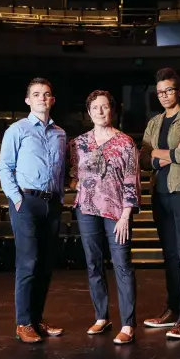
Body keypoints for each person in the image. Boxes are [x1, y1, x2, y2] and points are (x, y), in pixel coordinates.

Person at [0, 77, 66, 343]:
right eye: (36, 94)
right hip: (26, 202)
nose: (41, 98)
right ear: (28, 100)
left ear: (52, 100)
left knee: (46, 264)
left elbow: (62, 169)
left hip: (52, 202)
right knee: (28, 262)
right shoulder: (17, 130)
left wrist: (61, 195)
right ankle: (23, 323)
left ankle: (37, 318)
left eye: (46, 94)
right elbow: (4, 168)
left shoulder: (60, 133)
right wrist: (16, 199)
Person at [69, 90, 140, 345]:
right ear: (88, 112)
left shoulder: (126, 143)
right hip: (87, 210)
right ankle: (101, 317)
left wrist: (126, 215)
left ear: (112, 110)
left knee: (122, 264)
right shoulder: (77, 143)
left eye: (105, 107)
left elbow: (131, 180)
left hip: (117, 212)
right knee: (93, 265)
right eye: (95, 107)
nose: (100, 111)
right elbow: (71, 173)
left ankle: (128, 324)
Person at [139, 68, 180, 339]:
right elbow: (142, 159)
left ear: (179, 91)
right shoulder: (154, 122)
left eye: (169, 90)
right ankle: (173, 310)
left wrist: (160, 154)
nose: (165, 95)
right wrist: (169, 155)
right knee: (171, 255)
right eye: (160, 91)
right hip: (160, 192)